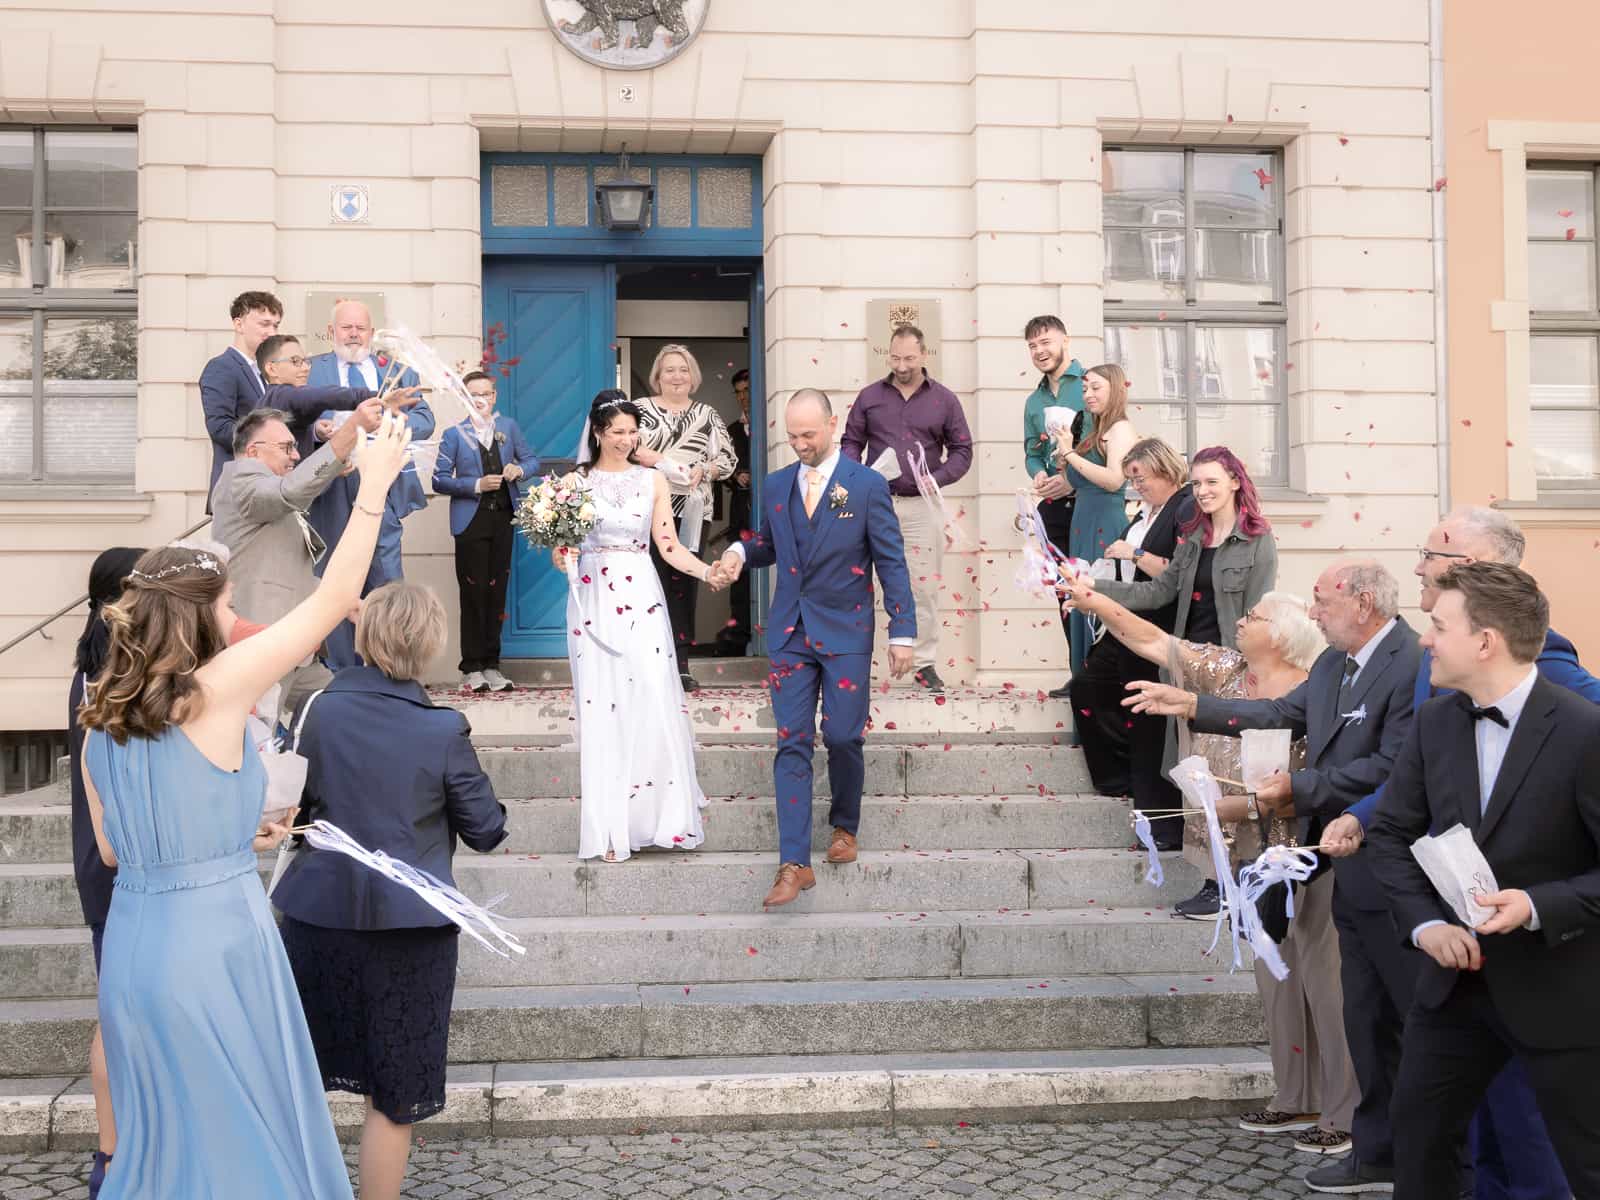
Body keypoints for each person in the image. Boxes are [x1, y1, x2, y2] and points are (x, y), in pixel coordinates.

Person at [76, 412, 412, 1199]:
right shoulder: (211, 692)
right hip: (214, 949)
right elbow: (330, 603)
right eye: (227, 606)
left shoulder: (101, 720)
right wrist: (376, 487)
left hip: (136, 951)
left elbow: (122, 852)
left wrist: (233, 836)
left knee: (165, 1144)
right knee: (240, 1148)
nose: (236, 620)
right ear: (197, 614)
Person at [1323, 506, 1595, 1200]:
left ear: (1487, 641)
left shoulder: (1584, 730)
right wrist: (1425, 924)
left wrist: (1539, 903)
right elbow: (1393, 835)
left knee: (1574, 1162)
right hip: (1453, 989)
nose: (1425, 644)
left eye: (1441, 629)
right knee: (1422, 1143)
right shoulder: (1436, 723)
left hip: (1557, 988)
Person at [1125, 559, 1421, 1190]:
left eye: (1322, 601)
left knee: (1359, 1004)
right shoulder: (1335, 665)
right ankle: (1354, 1128)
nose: (1313, 613)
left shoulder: (1411, 659)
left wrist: (1294, 791)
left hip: (1373, 844)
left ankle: (1366, 1129)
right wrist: (1193, 703)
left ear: (1362, 603)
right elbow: (1280, 711)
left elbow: (1397, 763)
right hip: (1327, 840)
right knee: (1348, 999)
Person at [1067, 577, 1357, 1153]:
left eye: (1256, 615)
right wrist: (1091, 598)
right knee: (1275, 978)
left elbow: (1331, 772)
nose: (1242, 620)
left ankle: (1343, 1109)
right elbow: (1153, 640)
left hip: (1305, 850)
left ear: (1285, 633)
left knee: (1324, 980)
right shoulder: (1224, 670)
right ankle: (1293, 1096)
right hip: (1245, 852)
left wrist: (1253, 801)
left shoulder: (1317, 686)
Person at [273, 581, 508, 1200]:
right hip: (410, 934)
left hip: (315, 916)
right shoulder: (440, 729)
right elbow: (486, 831)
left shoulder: (317, 710)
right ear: (428, 645)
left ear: (364, 635)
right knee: (394, 1094)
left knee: (303, 1079)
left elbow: (292, 808)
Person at [716, 389, 916, 908]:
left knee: (844, 736)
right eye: (792, 435)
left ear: (832, 424)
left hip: (848, 631)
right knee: (792, 742)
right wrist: (739, 552)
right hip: (790, 633)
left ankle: (844, 824)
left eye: (809, 434)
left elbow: (890, 560)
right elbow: (769, 543)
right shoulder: (777, 484)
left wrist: (902, 630)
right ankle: (793, 863)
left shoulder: (868, 485)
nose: (800, 444)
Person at [1096, 445, 1278, 915]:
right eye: (1197, 484)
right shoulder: (1192, 538)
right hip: (1184, 667)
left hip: (1231, 673)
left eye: (1212, 482)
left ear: (1235, 482)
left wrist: (1253, 676)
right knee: (1197, 779)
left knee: (1231, 782)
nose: (1203, 491)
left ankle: (1237, 882)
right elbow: (1159, 590)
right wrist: (1091, 587)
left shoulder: (1258, 541)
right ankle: (1212, 880)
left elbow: (1259, 615)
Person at [562, 390, 725, 861]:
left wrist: (705, 570)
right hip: (593, 592)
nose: (626, 440)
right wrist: (563, 557)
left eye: (633, 432)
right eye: (617, 433)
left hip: (641, 592)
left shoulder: (653, 480)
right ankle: (612, 829)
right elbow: (566, 546)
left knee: (653, 692)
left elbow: (668, 546)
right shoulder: (576, 482)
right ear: (597, 433)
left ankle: (664, 818)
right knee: (605, 702)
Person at [210, 402, 385, 721]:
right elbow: (292, 491)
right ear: (253, 452)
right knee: (258, 737)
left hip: (299, 653)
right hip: (263, 646)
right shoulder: (240, 481)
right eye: (287, 446)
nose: (295, 454)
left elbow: (287, 571)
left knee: (346, 718)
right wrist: (352, 429)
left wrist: (344, 602)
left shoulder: (266, 494)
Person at [1067, 438, 1193, 844]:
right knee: (1089, 687)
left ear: (1165, 469)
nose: (1136, 485)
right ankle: (1119, 781)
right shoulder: (1145, 510)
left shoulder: (1183, 508)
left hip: (1154, 625)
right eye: (1132, 479)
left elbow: (1174, 575)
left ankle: (1160, 823)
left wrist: (1134, 553)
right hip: (1124, 619)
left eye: (1141, 477)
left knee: (1148, 726)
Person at [66, 547, 144, 1199]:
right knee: (118, 1013)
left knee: (122, 1008)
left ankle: (118, 1153)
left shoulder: (99, 664)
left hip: (107, 858)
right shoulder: (108, 674)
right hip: (117, 857)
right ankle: (113, 1156)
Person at [841, 324, 973, 693]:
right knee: (856, 578)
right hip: (874, 502)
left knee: (923, 584)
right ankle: (855, 657)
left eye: (909, 358)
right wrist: (858, 474)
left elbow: (963, 450)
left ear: (924, 355)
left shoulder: (944, 400)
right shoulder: (869, 396)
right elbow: (851, 441)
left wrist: (939, 476)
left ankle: (924, 662)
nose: (901, 365)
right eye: (895, 358)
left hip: (921, 505)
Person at [307, 299, 436, 670]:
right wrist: (318, 430)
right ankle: (340, 672)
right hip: (330, 488)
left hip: (381, 485)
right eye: (346, 328)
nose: (353, 334)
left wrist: (392, 418)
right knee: (333, 576)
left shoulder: (398, 372)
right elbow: (292, 418)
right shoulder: (313, 371)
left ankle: (389, 668)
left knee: (385, 577)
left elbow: (425, 421)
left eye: (360, 328)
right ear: (331, 331)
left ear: (371, 332)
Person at [632, 344, 738, 692]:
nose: (676, 376)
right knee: (649, 583)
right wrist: (645, 457)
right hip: (647, 509)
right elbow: (622, 448)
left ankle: (680, 664)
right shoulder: (639, 411)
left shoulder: (707, 415)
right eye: (669, 370)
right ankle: (647, 663)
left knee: (684, 586)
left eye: (683, 370)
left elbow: (729, 459)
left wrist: (706, 468)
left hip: (692, 511)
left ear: (693, 377)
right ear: (657, 377)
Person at [432, 370, 540, 693]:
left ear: (494, 397)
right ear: (465, 399)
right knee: (473, 593)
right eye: (473, 395)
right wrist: (475, 484)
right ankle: (472, 667)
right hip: (470, 522)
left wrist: (519, 469)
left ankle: (493, 665)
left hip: (504, 518)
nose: (480, 399)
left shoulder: (508, 428)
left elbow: (532, 461)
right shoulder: (453, 434)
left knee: (497, 592)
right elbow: (438, 479)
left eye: (485, 393)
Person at [1019, 315, 1087, 698]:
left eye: (1046, 342)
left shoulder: (1090, 385)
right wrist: (1038, 477)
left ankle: (1095, 675)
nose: (1040, 351)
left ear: (1066, 340)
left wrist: (1071, 480)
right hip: (1052, 508)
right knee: (1063, 593)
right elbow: (1032, 450)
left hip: (1086, 502)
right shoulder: (1034, 400)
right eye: (1032, 346)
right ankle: (1077, 673)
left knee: (1091, 590)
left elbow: (1103, 444)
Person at [1057, 362, 1138, 680]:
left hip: (1105, 524)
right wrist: (1062, 457)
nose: (1088, 395)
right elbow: (1079, 479)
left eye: (1095, 388)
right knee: (1080, 604)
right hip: (1082, 523)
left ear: (1115, 390)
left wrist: (1069, 454)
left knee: (1099, 604)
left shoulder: (1120, 429)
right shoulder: (1094, 432)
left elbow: (1114, 480)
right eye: (1085, 388)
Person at [256, 332, 416, 458]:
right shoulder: (281, 395)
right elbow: (321, 396)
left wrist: (315, 430)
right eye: (295, 361)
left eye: (305, 361)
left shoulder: (274, 401)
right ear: (271, 369)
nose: (305, 368)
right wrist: (376, 397)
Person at [200, 290, 282, 504]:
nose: (272, 333)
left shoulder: (265, 373)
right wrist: (269, 445)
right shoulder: (221, 368)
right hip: (237, 492)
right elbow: (220, 428)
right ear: (239, 324)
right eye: (264, 324)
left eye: (275, 325)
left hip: (266, 489)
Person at [715, 368, 754, 654]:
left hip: (767, 510)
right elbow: (722, 468)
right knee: (738, 577)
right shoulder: (730, 431)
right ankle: (739, 636)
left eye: (747, 391)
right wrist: (736, 476)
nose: (743, 398)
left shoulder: (771, 426)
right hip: (741, 512)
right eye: (738, 393)